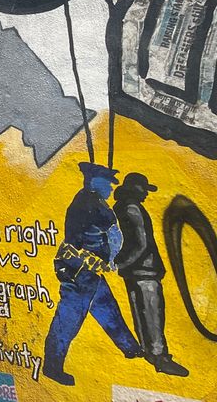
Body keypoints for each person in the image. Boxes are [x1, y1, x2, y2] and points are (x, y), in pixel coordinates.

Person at [43, 162, 142, 386]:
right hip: (80, 270)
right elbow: (111, 234)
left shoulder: (91, 201)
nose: (111, 188)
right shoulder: (90, 203)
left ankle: (130, 348)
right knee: (69, 318)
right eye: (108, 183)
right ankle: (52, 366)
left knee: (106, 308)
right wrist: (112, 259)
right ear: (94, 182)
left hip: (87, 269)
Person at [112, 173, 188, 377]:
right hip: (145, 270)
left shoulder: (120, 207)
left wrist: (122, 263)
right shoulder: (132, 208)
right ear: (134, 188)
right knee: (152, 314)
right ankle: (160, 358)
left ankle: (150, 354)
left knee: (140, 313)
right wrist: (123, 262)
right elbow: (142, 243)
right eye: (143, 189)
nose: (146, 194)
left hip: (132, 271)